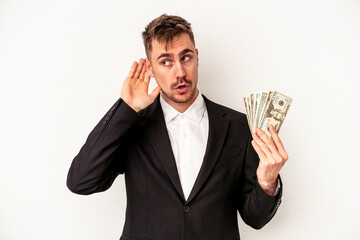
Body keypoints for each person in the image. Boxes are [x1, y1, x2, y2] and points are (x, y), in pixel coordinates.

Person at [67, 14, 288, 240]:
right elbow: (81, 181)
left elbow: (255, 218)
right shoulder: (132, 125)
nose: (180, 73)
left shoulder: (239, 126)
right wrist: (126, 109)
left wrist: (267, 182)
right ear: (150, 69)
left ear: (197, 57)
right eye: (165, 61)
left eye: (186, 57)